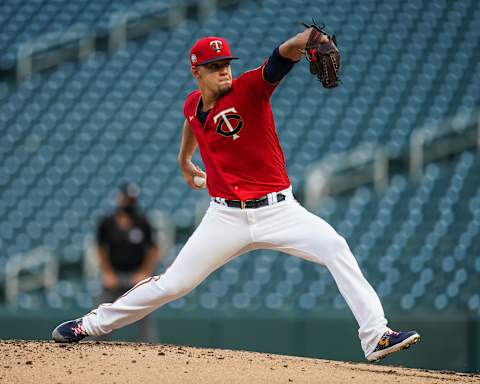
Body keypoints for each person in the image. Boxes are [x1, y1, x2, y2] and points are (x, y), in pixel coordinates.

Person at [52, 28, 420, 362]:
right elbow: (192, 121)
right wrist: (184, 160)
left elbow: (281, 56)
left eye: (226, 63)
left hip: (280, 210)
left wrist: (309, 38)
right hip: (225, 217)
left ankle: (375, 336)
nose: (224, 70)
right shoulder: (193, 103)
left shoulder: (249, 89)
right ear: (197, 73)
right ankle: (92, 325)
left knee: (336, 247)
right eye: (214, 66)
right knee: (173, 284)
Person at [95, 183, 159, 342]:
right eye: (126, 198)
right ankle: (95, 349)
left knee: (143, 315)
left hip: (136, 276)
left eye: (131, 199)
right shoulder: (107, 222)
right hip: (114, 275)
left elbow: (153, 249)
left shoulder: (142, 221)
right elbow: (100, 248)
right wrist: (107, 273)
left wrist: (144, 272)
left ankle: (151, 351)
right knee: (103, 314)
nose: (129, 202)